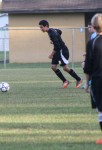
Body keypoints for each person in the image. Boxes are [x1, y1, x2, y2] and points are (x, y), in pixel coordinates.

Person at [38, 20, 82, 88]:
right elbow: (60, 31)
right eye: (40, 28)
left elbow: (57, 47)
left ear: (46, 26)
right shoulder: (51, 30)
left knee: (65, 68)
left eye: (41, 27)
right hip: (58, 51)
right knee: (53, 67)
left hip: (62, 51)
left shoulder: (52, 33)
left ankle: (79, 79)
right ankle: (65, 81)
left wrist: (51, 54)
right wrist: (54, 40)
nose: (41, 29)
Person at [84, 13, 102, 144]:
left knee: (101, 110)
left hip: (98, 80)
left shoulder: (92, 43)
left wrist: (87, 83)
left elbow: (88, 66)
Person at [82, 22, 97, 90]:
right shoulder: (93, 35)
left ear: (94, 27)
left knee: (84, 64)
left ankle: (89, 82)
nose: (89, 29)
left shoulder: (95, 35)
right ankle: (90, 81)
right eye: (88, 27)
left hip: (96, 57)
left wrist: (87, 53)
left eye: (90, 27)